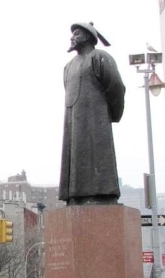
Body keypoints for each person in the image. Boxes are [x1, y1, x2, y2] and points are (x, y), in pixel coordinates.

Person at [59, 22, 125, 206]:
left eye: (76, 33)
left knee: (98, 156)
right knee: (74, 154)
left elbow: (116, 87)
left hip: (96, 120)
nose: (72, 37)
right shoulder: (68, 66)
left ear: (88, 36)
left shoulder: (100, 57)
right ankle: (75, 195)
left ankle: (102, 194)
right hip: (73, 121)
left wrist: (110, 115)